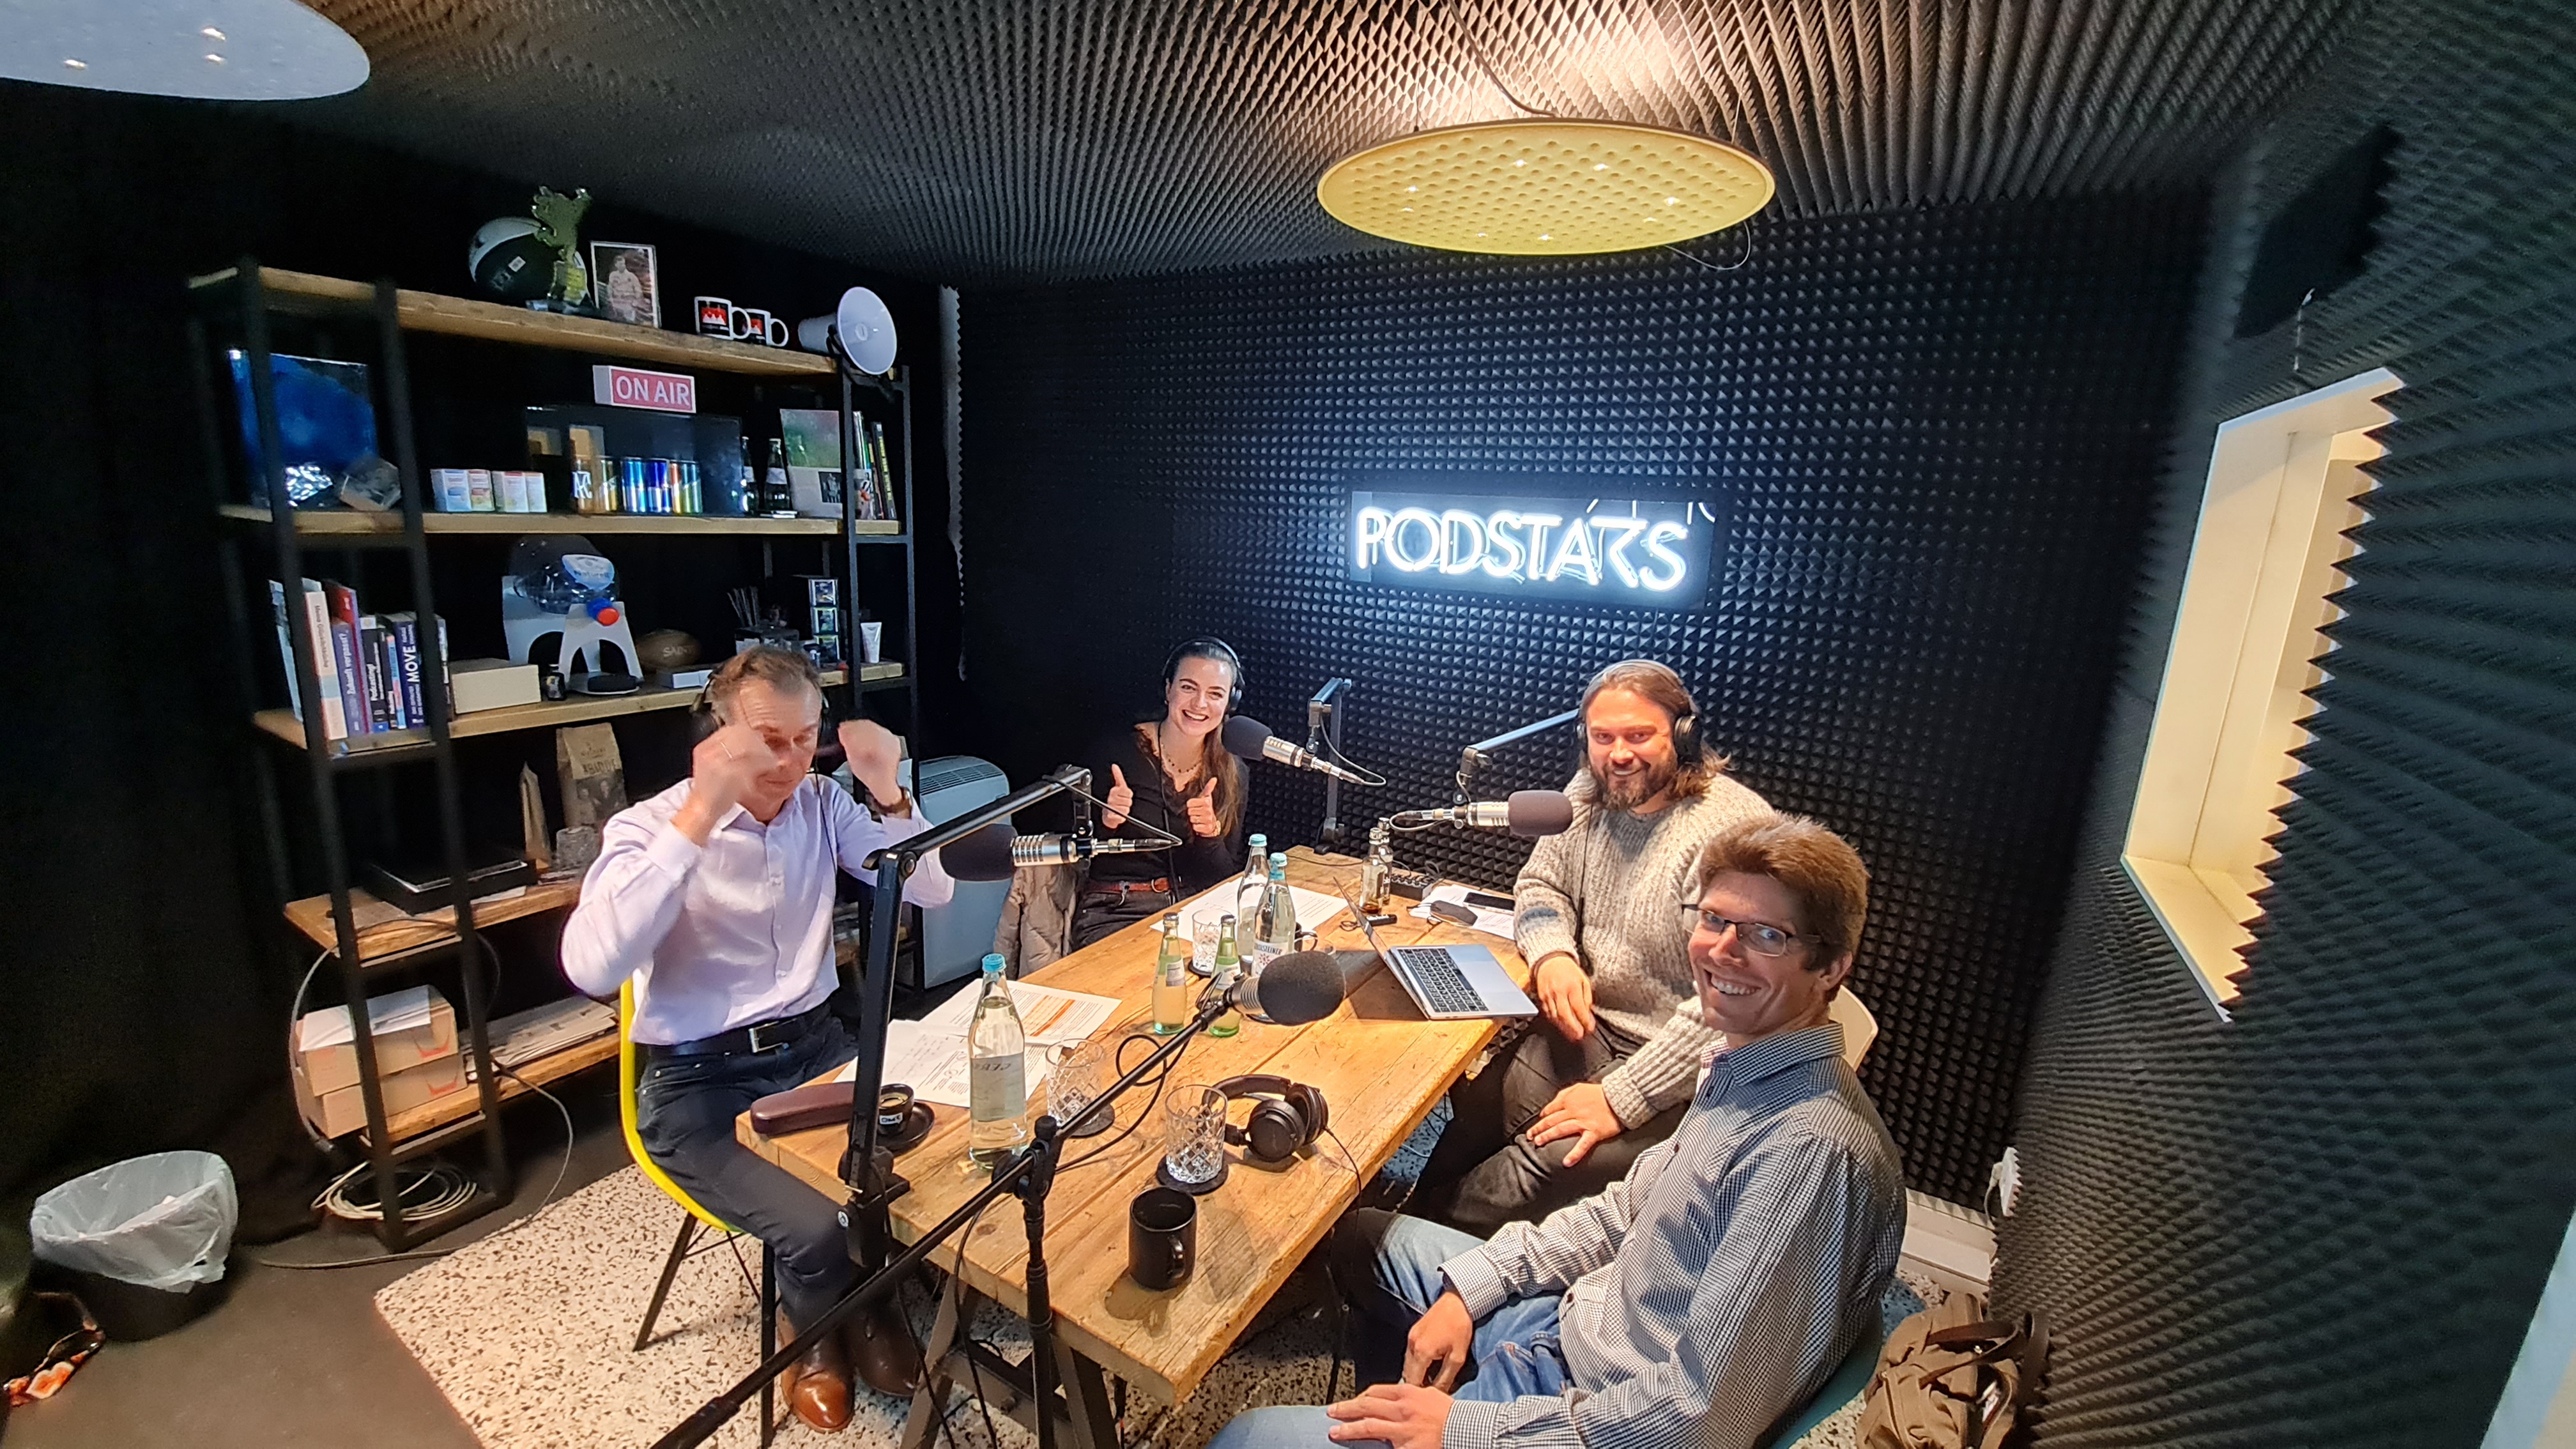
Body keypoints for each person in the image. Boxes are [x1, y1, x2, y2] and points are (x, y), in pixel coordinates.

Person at [1209, 813, 1905, 1449]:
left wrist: (1465, 1431)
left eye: (1766, 935)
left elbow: (1699, 1421)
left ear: (1833, 966)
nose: (1723, 952)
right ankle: (1402, 1411)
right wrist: (1473, 1288)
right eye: (1714, 920)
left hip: (1593, 1409)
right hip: (1576, 1325)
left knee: (1245, 1440)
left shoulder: (1809, 1155)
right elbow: (1621, 1214)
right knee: (1366, 1237)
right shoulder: (1743, 1065)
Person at [560, 647, 949, 1432]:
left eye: (807, 739)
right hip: (697, 1084)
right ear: (719, 733)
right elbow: (592, 966)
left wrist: (886, 789)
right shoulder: (648, 826)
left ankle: (868, 1311)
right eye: (768, 740)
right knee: (815, 1224)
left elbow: (931, 889)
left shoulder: (822, 805)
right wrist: (701, 813)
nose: (790, 761)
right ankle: (814, 1337)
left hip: (812, 1051)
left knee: (928, 1161)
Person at [1411, 660, 1770, 1233]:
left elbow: (1733, 1000)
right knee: (1478, 1114)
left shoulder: (1732, 833)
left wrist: (1623, 1097)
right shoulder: (1589, 792)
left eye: (1638, 736)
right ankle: (1406, 1239)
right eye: (1603, 738)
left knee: (1535, 1162)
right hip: (1588, 1028)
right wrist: (1554, 953)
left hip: (1683, 1064)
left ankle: (1416, 1259)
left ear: (1683, 735)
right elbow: (1540, 885)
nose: (1618, 755)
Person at [1070, 637, 1250, 950]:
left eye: (1215, 694)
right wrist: (1105, 822)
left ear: (1229, 704)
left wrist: (1210, 835)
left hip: (1194, 909)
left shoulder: (1233, 772)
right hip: (1117, 909)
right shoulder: (1118, 752)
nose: (1200, 704)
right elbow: (1072, 852)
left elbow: (1222, 879)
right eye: (1188, 688)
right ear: (1168, 690)